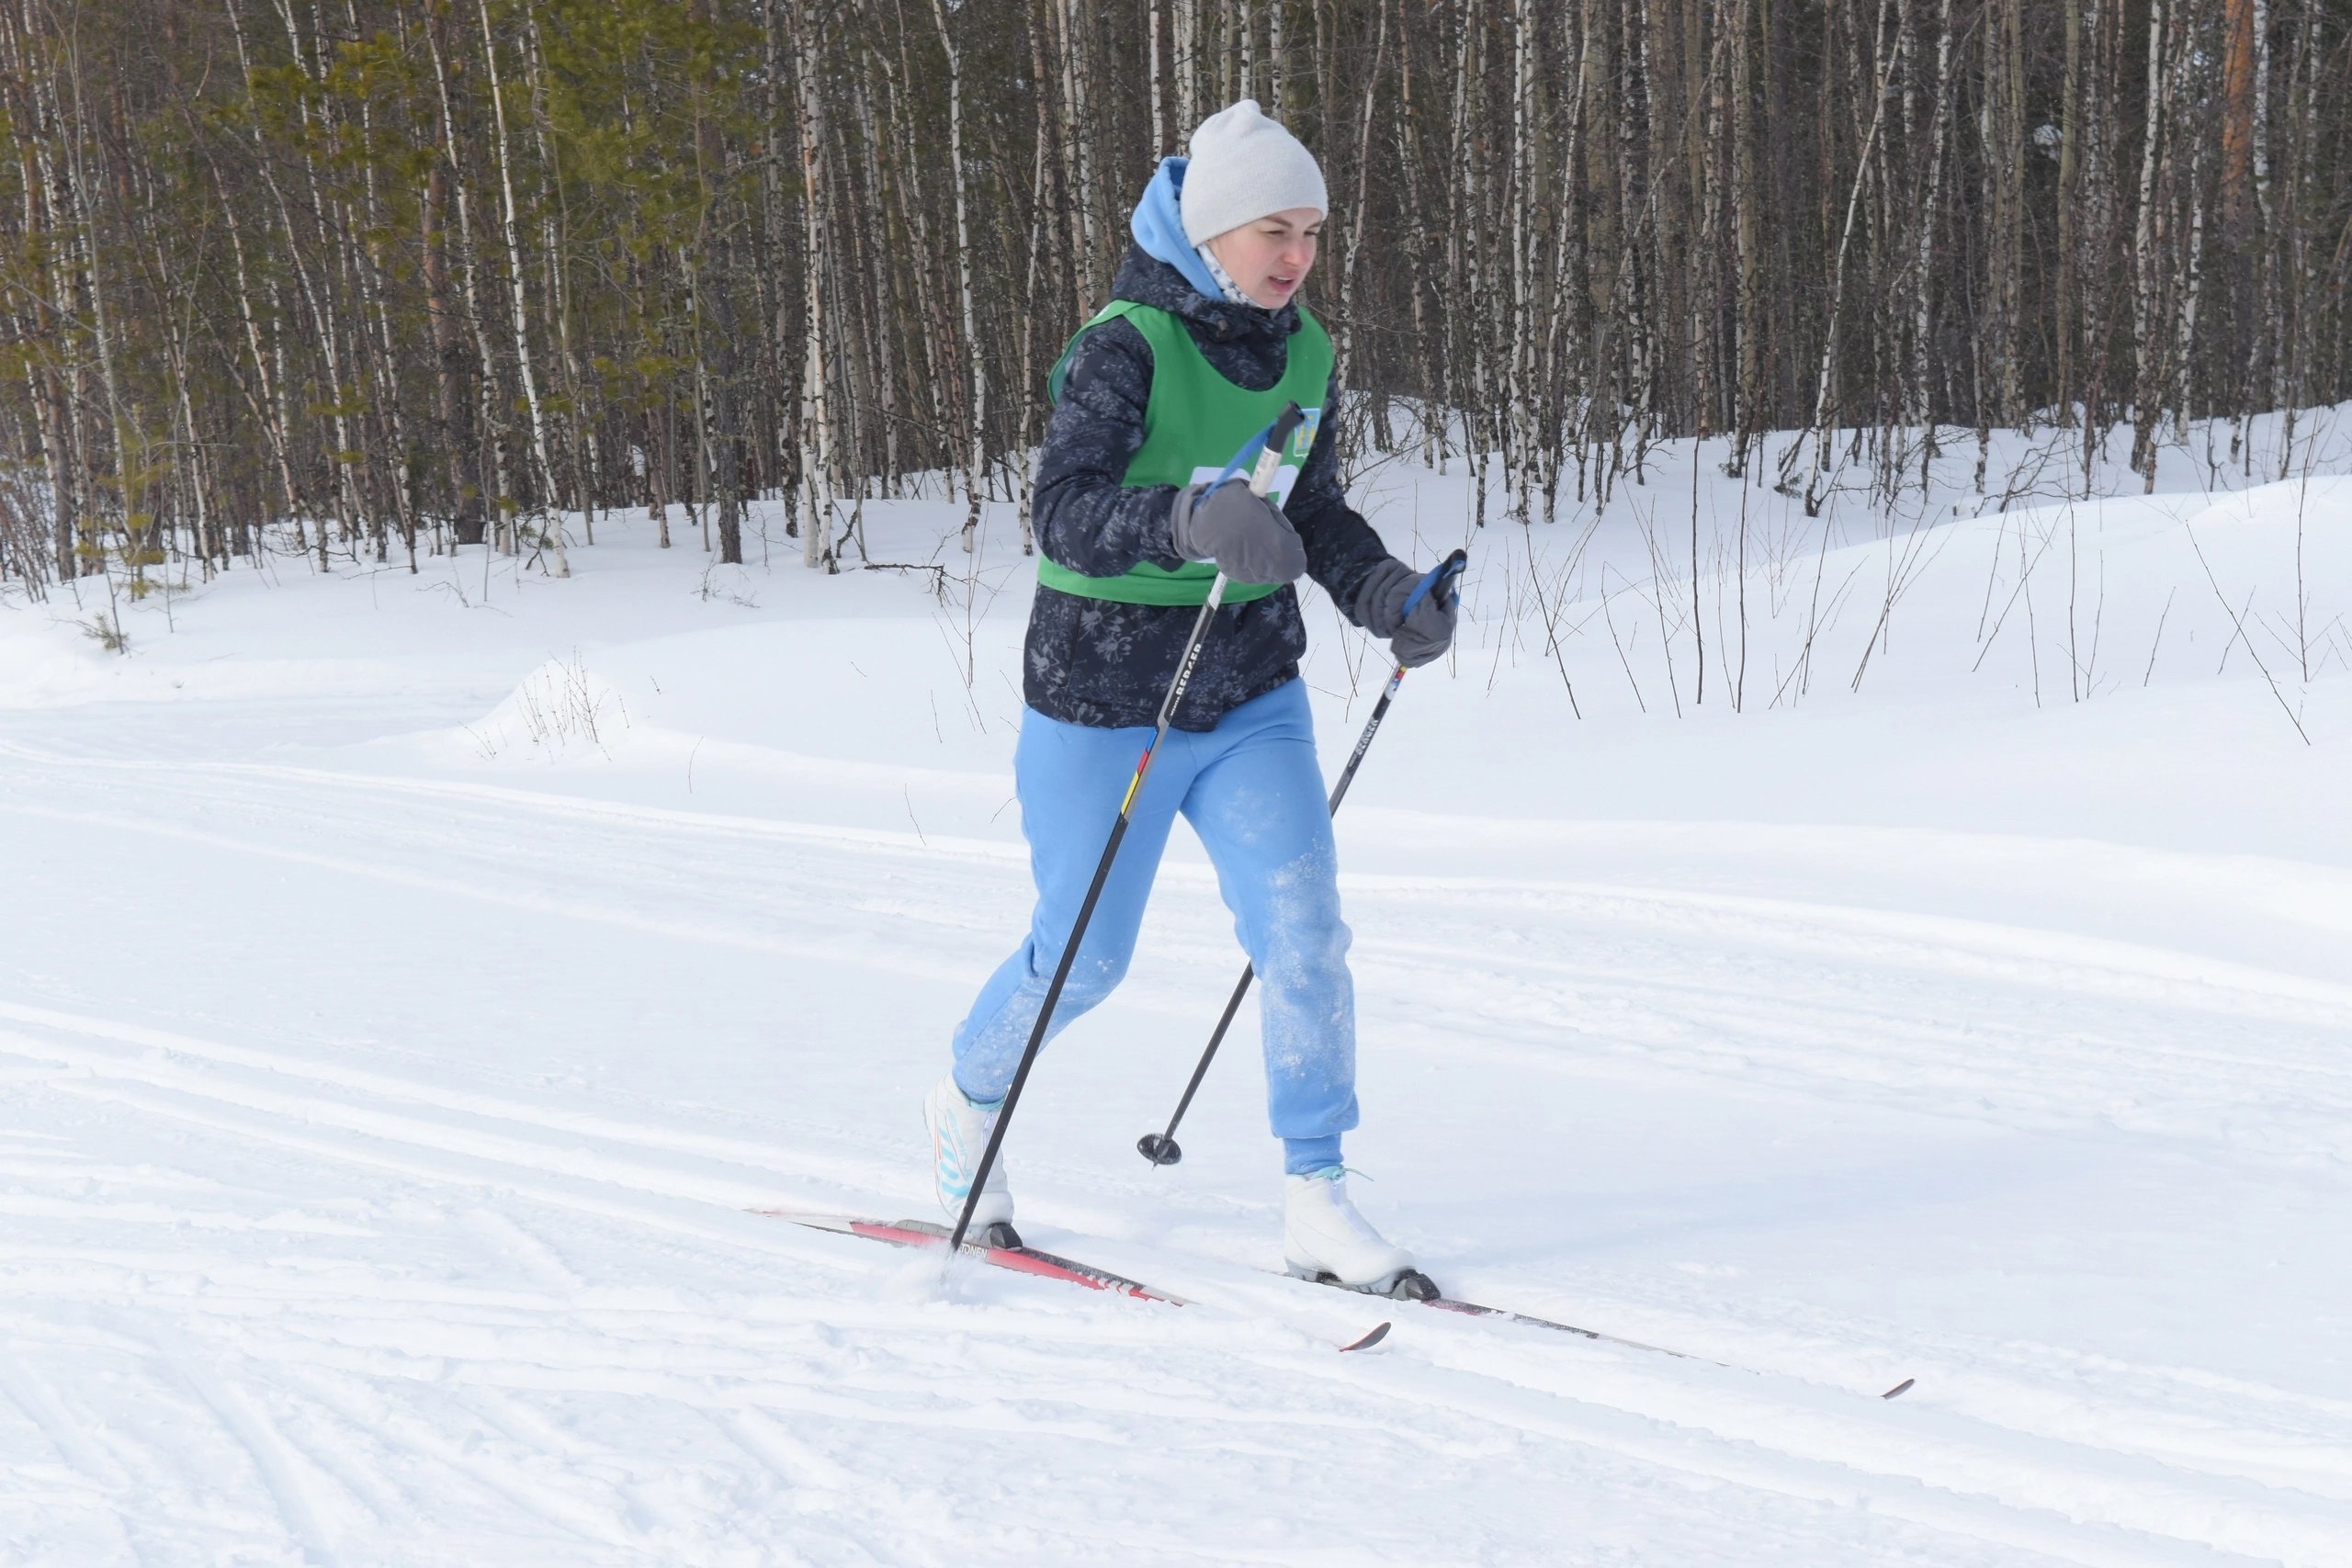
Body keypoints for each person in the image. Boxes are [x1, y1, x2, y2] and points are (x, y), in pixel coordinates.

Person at [923, 100, 1458, 1295]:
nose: (1298, 256)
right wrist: (1183, 520)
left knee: (1305, 933)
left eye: (1313, 232)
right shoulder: (1127, 344)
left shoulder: (1305, 350)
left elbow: (1308, 510)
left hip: (1247, 691)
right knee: (1085, 957)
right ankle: (967, 1103)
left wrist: (1387, 597)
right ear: (1213, 231)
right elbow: (1062, 510)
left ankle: (1317, 1197)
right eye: (1275, 228)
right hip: (1102, 692)